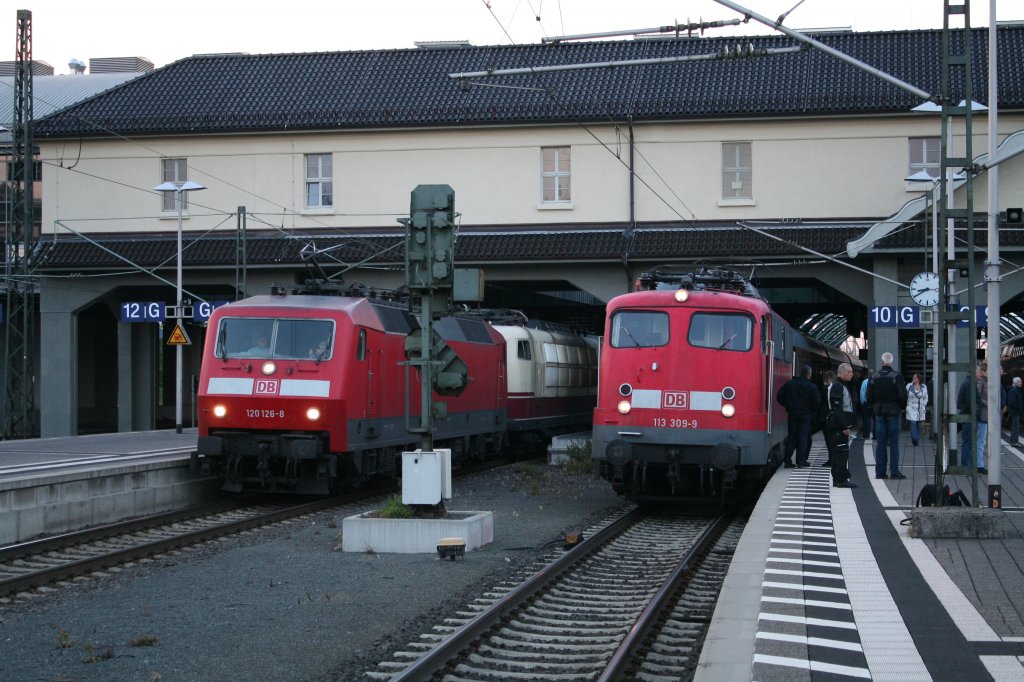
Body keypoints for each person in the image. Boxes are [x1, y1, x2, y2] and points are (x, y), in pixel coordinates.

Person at [867, 352, 908, 480]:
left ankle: (880, 472)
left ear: (882, 361)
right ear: (892, 361)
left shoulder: (874, 377)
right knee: (894, 444)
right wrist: (902, 407)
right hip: (893, 412)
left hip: (879, 413)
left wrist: (873, 406)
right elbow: (902, 395)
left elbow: (869, 396)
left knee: (880, 444)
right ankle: (894, 472)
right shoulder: (897, 376)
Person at [776, 365, 821, 468]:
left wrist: (787, 405)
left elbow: (779, 396)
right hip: (805, 415)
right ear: (809, 374)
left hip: (792, 414)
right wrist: (811, 409)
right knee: (803, 437)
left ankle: (787, 461)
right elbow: (817, 401)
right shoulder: (812, 387)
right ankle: (801, 461)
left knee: (791, 437)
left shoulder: (790, 384)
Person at [828, 362, 858, 488]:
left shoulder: (842, 386)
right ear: (841, 373)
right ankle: (841, 479)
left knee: (839, 450)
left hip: (839, 424)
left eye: (852, 372)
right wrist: (845, 426)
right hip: (838, 425)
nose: (852, 374)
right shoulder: (838, 386)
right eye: (849, 372)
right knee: (841, 451)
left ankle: (838, 479)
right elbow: (837, 408)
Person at [957, 362, 989, 474]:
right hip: (968, 417)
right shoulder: (970, 384)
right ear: (974, 372)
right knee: (968, 443)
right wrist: (977, 410)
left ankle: (968, 466)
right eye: (979, 371)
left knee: (969, 442)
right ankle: (967, 467)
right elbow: (971, 402)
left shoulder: (968, 382)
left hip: (967, 415)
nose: (980, 373)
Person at [819, 370, 838, 467]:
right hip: (833, 416)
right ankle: (833, 458)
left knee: (828, 440)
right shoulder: (836, 388)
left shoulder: (824, 389)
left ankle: (831, 459)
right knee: (833, 439)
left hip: (825, 417)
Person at [904, 373, 929, 447]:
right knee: (913, 422)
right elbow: (905, 395)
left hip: (920, 408)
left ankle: (916, 439)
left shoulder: (924, 387)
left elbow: (926, 397)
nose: (913, 379)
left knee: (919, 424)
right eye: (913, 377)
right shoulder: (909, 386)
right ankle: (914, 439)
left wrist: (924, 404)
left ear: (919, 379)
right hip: (911, 407)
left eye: (915, 377)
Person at [858, 367, 873, 441]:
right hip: (874, 403)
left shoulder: (864, 382)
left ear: (867, 374)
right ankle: (876, 435)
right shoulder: (876, 381)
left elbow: (862, 393)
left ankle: (866, 434)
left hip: (866, 404)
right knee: (876, 419)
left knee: (866, 419)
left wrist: (863, 402)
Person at [1009, 376, 1023, 447]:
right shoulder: (1014, 391)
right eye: (1020, 381)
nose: (1021, 383)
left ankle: (1014, 441)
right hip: (1015, 412)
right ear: (1015, 383)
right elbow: (1012, 402)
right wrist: (1019, 408)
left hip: (1016, 411)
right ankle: (1014, 442)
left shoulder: (1015, 390)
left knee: (1016, 426)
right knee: (1016, 427)